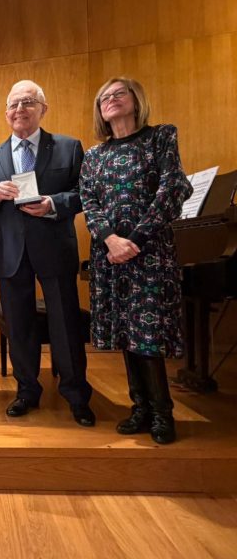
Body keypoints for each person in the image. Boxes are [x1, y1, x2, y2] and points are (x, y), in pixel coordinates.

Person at [80, 77, 193, 444]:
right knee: (127, 333)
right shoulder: (95, 156)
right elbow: (89, 202)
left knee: (148, 334)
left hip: (150, 253)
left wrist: (136, 239)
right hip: (110, 255)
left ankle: (163, 413)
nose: (111, 101)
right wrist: (112, 240)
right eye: (104, 98)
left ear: (135, 99)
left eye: (119, 94)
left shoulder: (160, 137)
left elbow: (173, 188)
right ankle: (139, 408)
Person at [0, 80, 95, 427]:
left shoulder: (68, 147)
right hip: (11, 253)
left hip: (55, 249)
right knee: (20, 327)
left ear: (42, 108)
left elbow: (85, 194)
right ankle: (27, 390)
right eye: (13, 104)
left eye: (27, 102)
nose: (19, 110)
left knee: (65, 324)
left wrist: (53, 203)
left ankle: (76, 394)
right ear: (6, 113)